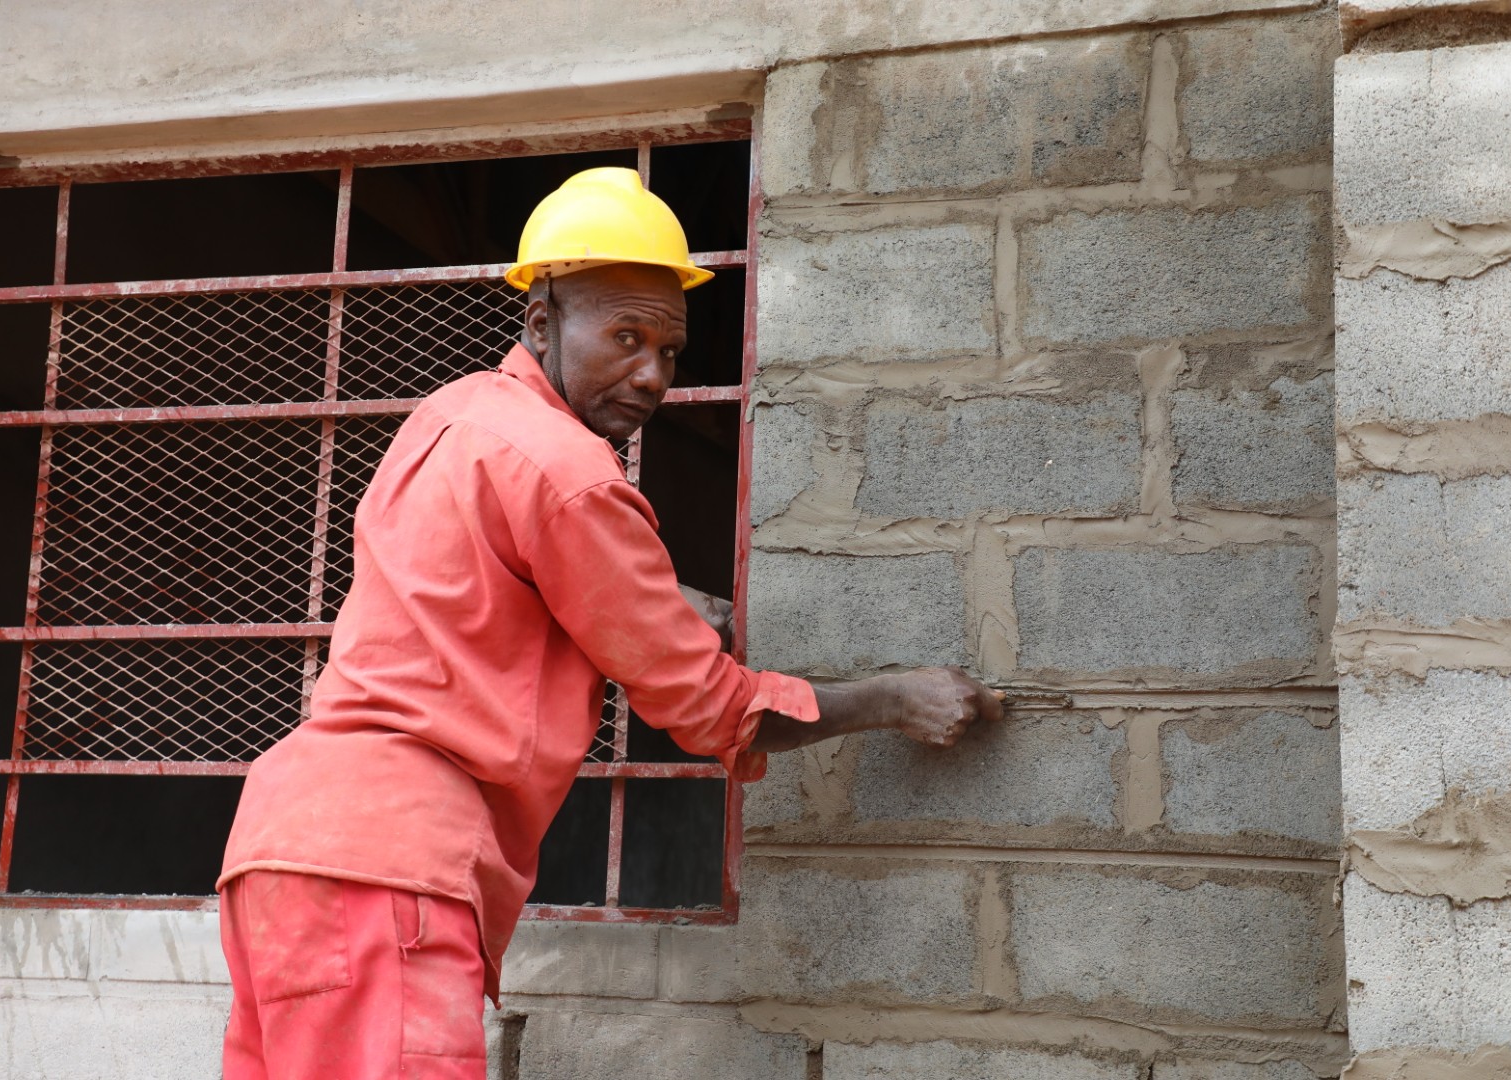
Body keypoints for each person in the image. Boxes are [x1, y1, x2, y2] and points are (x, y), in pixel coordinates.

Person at [215, 167, 1004, 1079]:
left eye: (669, 350)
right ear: (542, 322)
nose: (651, 374)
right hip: (388, 869)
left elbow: (476, 604)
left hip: (281, 847)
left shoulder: (451, 416)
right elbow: (713, 710)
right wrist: (893, 701)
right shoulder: (576, 477)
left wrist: (653, 606)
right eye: (624, 336)